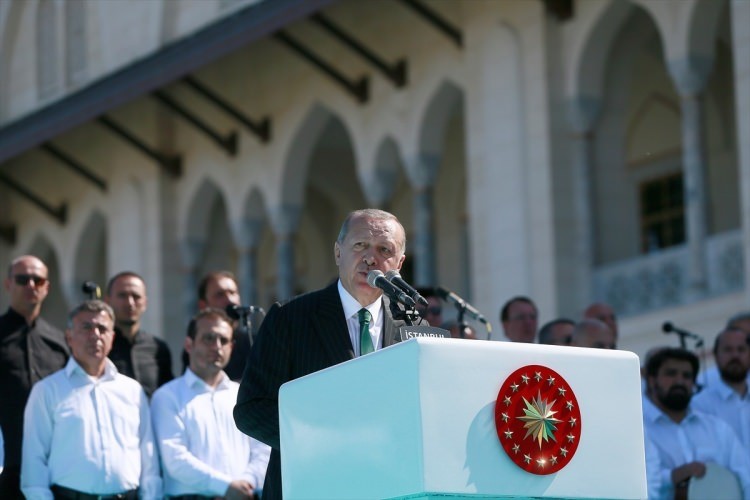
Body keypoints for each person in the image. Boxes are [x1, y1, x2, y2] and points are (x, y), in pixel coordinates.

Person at [234, 208, 418, 500]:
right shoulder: (290, 319)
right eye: (360, 246)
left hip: (389, 487)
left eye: (385, 249)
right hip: (310, 486)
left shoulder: (411, 328)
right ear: (338, 253)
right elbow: (252, 409)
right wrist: (323, 442)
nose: (371, 258)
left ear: (399, 263)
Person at [21, 300, 161, 499]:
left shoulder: (132, 390)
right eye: (86, 327)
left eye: (102, 328)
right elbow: (34, 462)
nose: (95, 335)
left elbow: (148, 457)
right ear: (69, 337)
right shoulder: (47, 390)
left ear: (111, 338)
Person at [151, 308, 270, 499]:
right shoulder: (167, 396)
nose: (217, 346)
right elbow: (175, 458)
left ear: (231, 347)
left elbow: (263, 448)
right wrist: (226, 486)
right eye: (208, 338)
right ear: (189, 345)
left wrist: (247, 481)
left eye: (224, 340)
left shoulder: (242, 394)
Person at [0, 255, 69, 498]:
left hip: (54, 465)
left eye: (38, 280)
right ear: (8, 284)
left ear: (47, 287)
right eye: (23, 279)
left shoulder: (60, 341)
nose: (31, 285)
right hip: (8, 464)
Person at [642, 347, 750, 499]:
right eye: (671, 374)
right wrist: (672, 476)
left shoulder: (717, 429)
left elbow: (746, 479)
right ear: (652, 380)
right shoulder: (640, 430)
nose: (679, 381)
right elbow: (636, 482)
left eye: (687, 376)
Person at [105, 271, 173, 397]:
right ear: (108, 300)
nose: (130, 303)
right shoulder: (100, 348)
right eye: (122, 295)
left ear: (145, 302)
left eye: (136, 296)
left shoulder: (158, 349)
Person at [691, 328, 750, 452]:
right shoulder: (699, 406)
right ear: (716, 355)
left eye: (741, 349)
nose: (735, 355)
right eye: (728, 350)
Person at [196, 271, 262, 381]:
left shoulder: (255, 341)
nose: (230, 300)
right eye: (220, 295)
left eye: (233, 293)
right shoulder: (197, 344)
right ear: (203, 305)